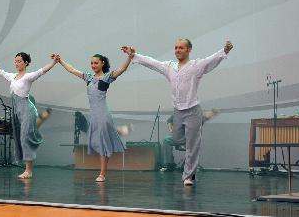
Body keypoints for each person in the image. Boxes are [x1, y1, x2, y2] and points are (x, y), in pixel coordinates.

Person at [123, 39, 233, 186]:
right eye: (175, 48)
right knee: (175, 139)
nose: (177, 50)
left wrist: (224, 51)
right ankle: (199, 126)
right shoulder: (170, 67)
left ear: (189, 50)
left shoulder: (196, 66)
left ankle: (188, 176)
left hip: (193, 109)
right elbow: (153, 63)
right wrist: (134, 55)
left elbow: (210, 61)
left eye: (181, 48)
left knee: (192, 145)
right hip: (178, 112)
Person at [54, 52, 133, 182]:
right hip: (94, 115)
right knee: (97, 143)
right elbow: (72, 70)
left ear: (102, 63)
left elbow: (122, 69)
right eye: (92, 63)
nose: (93, 65)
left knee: (102, 143)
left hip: (103, 114)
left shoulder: (107, 77)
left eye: (96, 63)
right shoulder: (89, 77)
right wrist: (60, 61)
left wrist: (130, 56)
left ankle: (102, 173)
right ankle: (103, 170)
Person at [0, 52, 56, 179]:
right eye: (15, 61)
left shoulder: (28, 77)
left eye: (19, 61)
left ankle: (28, 170)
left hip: (27, 110)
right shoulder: (12, 76)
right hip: (17, 111)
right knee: (18, 137)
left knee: (24, 138)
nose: (16, 63)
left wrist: (54, 62)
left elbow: (42, 70)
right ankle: (27, 168)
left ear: (26, 62)